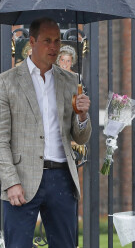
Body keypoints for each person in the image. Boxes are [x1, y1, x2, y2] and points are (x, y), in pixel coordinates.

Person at [0, 17, 92, 248]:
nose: (54, 47)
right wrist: (10, 182)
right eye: (47, 40)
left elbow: (80, 137)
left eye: (57, 41)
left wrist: (82, 115)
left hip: (61, 178)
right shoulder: (7, 82)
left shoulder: (71, 80)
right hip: (21, 180)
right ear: (32, 41)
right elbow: (1, 139)